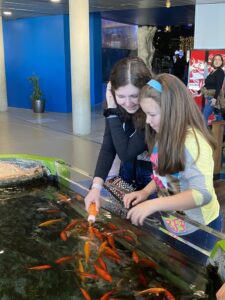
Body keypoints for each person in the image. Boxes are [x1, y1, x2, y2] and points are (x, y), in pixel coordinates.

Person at [123, 73, 222, 263]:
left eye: (152, 115)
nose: (148, 121)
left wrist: (154, 204)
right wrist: (145, 192)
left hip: (199, 228)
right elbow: (164, 174)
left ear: (171, 110)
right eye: (146, 115)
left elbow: (203, 194)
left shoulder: (192, 142)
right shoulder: (164, 132)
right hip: (174, 222)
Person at [85, 57, 153, 212]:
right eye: (121, 96)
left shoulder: (153, 111)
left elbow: (125, 153)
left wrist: (112, 113)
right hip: (128, 177)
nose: (128, 103)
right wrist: (96, 186)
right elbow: (108, 147)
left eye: (134, 96)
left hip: (154, 182)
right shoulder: (114, 106)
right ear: (112, 91)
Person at [202, 54, 225, 124]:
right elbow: (207, 84)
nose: (217, 61)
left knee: (204, 117)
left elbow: (219, 86)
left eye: (219, 60)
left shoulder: (220, 72)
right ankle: (221, 134)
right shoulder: (213, 71)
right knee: (219, 118)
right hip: (210, 97)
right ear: (213, 61)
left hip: (214, 98)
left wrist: (214, 99)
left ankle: (204, 134)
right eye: (215, 59)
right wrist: (198, 91)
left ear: (221, 62)